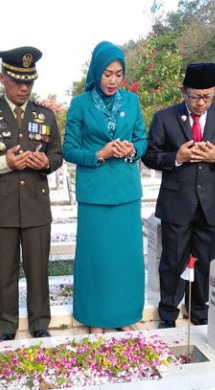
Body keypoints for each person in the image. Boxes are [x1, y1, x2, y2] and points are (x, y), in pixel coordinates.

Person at [0, 46, 63, 341]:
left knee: (37, 269)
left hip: (35, 203)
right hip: (1, 204)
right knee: (3, 270)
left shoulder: (45, 115)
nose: (23, 87)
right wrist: (2, 163)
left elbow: (57, 153)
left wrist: (47, 162)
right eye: (17, 80)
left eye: (29, 81)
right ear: (2, 78)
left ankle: (39, 322)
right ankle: (6, 326)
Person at [142, 63, 215, 329]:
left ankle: (200, 310)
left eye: (207, 97)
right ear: (184, 91)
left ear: (214, 92)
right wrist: (176, 158)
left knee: (206, 260)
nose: (201, 103)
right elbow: (150, 156)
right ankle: (168, 312)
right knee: (172, 260)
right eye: (194, 97)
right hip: (176, 202)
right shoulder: (164, 117)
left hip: (210, 203)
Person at [62, 41, 147, 334]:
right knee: (96, 255)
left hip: (126, 191)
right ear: (97, 72)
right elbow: (69, 149)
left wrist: (132, 151)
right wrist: (101, 154)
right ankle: (95, 317)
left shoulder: (133, 102)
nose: (112, 80)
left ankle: (125, 315)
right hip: (95, 192)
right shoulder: (80, 104)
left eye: (118, 74)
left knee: (126, 257)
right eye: (107, 74)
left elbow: (143, 139)